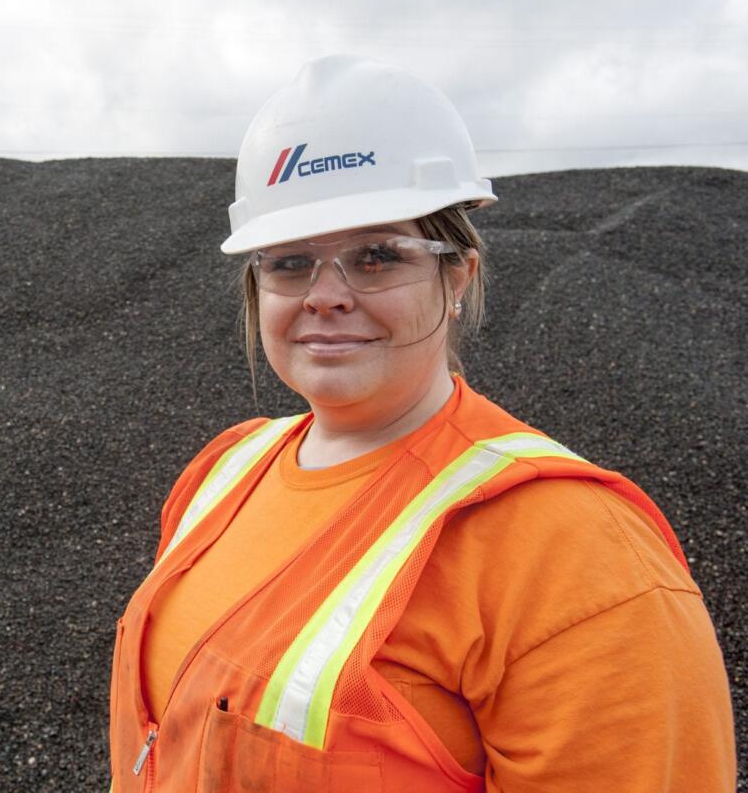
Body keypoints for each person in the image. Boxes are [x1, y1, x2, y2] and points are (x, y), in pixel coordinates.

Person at [107, 55, 736, 792]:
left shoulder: (576, 554)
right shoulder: (224, 471)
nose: (326, 295)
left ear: (457, 276)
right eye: (288, 262)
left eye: (377, 256)